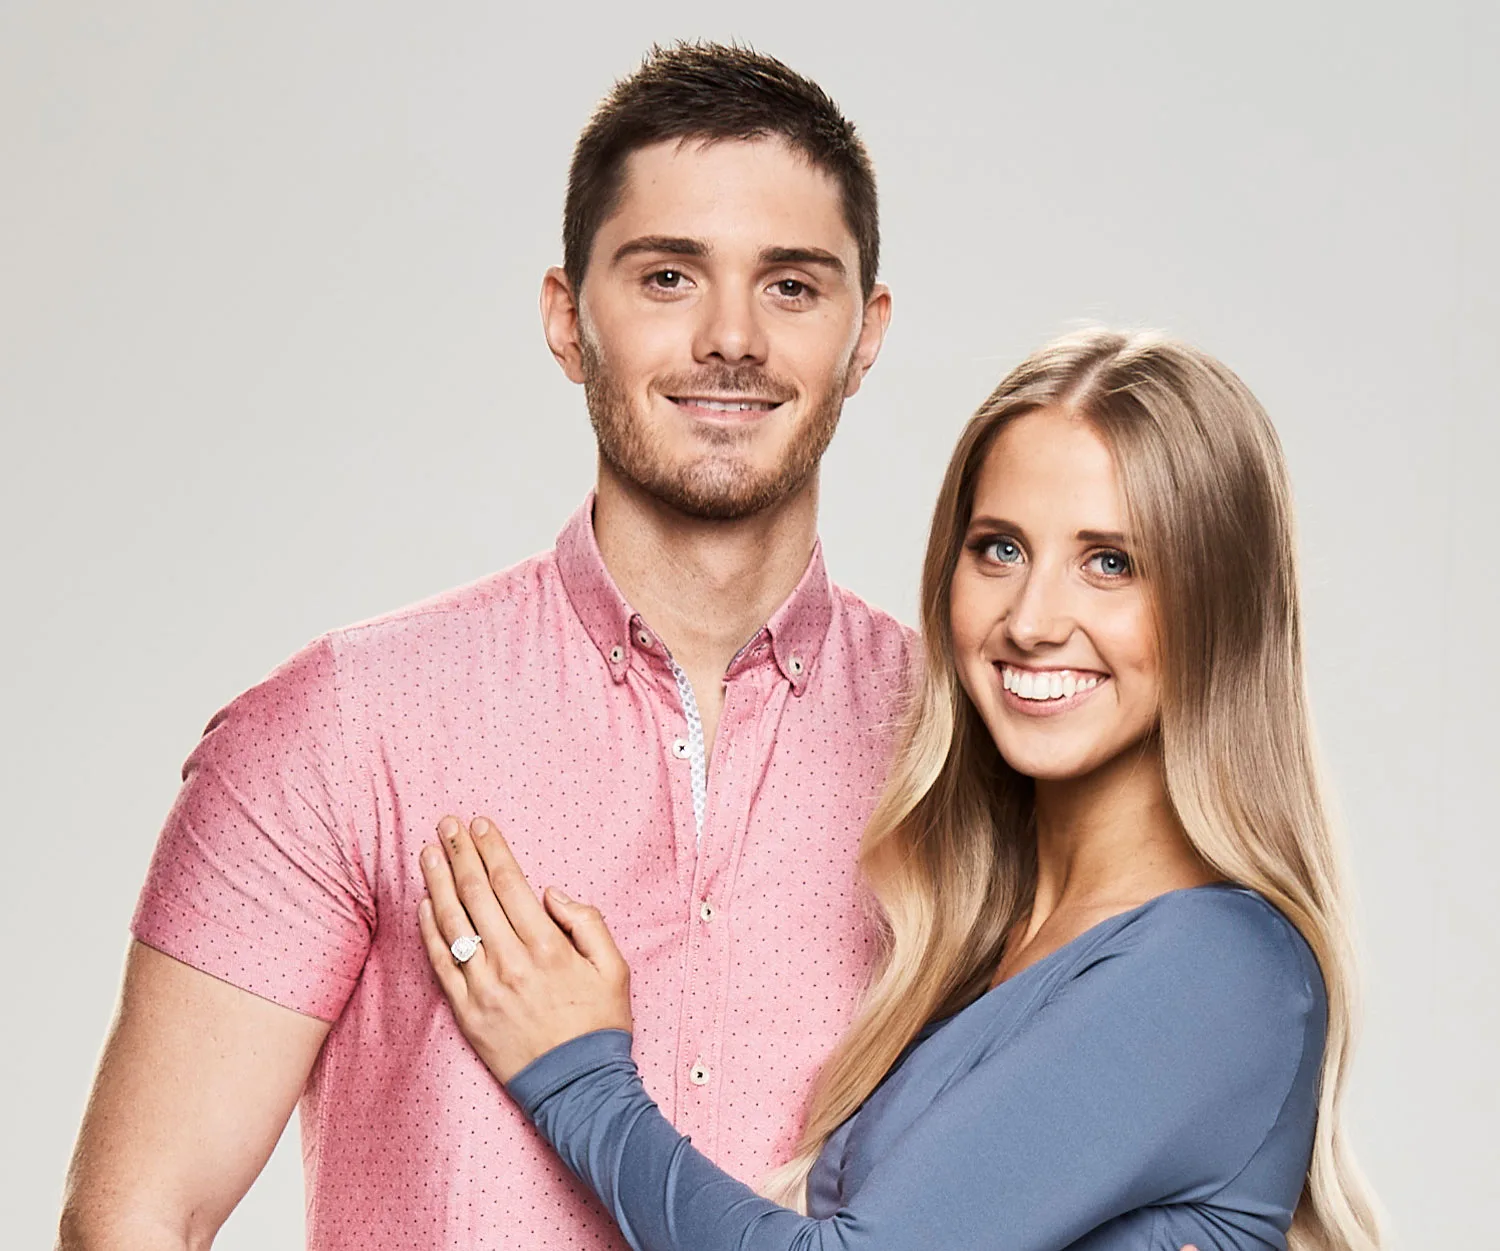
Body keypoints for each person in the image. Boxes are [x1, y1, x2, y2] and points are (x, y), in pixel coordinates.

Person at [57, 43, 907, 1251]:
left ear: (865, 334)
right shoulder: (344, 728)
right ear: (568, 319)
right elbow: (136, 1224)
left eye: (791, 285)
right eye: (668, 277)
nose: (733, 337)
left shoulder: (961, 746)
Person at [415, 329, 1385, 1250]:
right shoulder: (982, 939)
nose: (1033, 620)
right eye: (999, 548)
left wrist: (579, 1078)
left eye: (1110, 563)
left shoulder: (1216, 967)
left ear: (1222, 609)